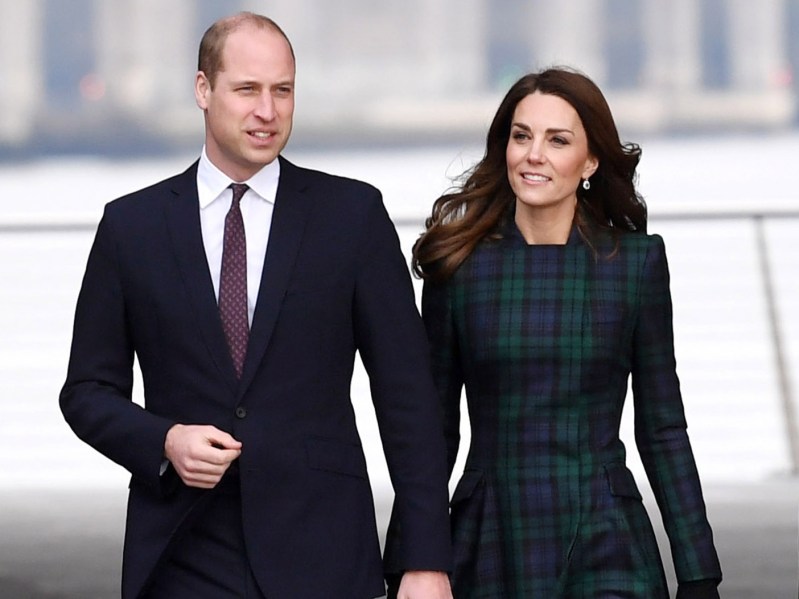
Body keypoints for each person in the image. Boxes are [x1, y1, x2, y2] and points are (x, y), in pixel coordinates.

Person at [60, 12, 452, 599]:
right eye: (247, 89)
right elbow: (86, 391)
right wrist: (164, 440)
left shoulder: (353, 216)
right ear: (203, 89)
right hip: (180, 550)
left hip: (323, 550)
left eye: (282, 91)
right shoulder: (131, 227)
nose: (267, 111)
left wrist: (425, 559)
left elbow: (410, 398)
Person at [404, 68, 723, 598]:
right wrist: (413, 561)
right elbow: (433, 431)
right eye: (522, 136)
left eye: (558, 141)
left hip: (606, 535)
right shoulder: (458, 267)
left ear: (591, 160)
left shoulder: (634, 264)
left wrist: (697, 572)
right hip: (491, 534)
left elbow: (663, 427)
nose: (534, 155)